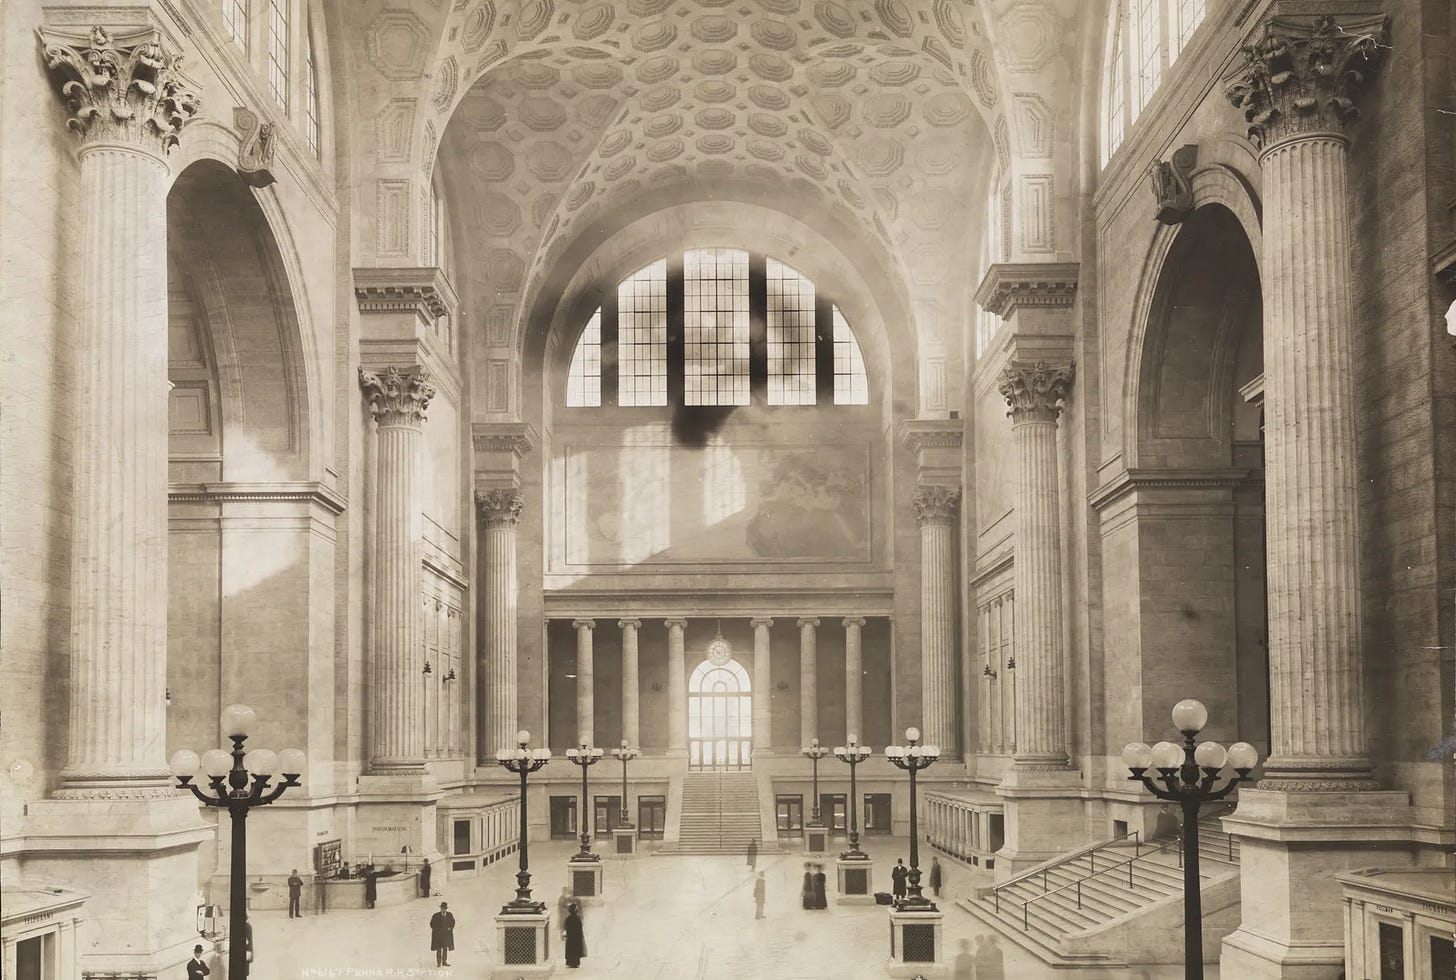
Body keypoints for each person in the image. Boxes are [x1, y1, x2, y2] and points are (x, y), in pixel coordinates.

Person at [429, 901, 455, 967]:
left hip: (446, 935)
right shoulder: (436, 915)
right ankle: (438, 963)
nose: (443, 909)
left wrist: (450, 928)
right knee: (439, 949)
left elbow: (453, 922)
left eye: (444, 908)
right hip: (438, 936)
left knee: (445, 949)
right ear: (440, 908)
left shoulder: (449, 915)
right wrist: (436, 930)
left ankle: (444, 962)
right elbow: (432, 924)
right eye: (442, 908)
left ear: (446, 909)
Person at [564, 902, 586, 969]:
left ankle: (570, 962)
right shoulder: (577, 918)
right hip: (576, 938)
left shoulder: (568, 918)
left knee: (570, 950)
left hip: (570, 937)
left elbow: (565, 927)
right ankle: (575, 963)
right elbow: (580, 927)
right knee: (575, 950)